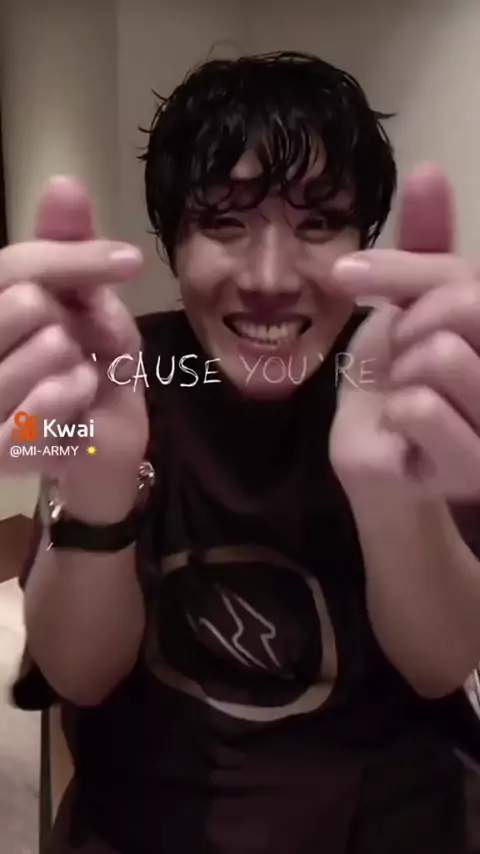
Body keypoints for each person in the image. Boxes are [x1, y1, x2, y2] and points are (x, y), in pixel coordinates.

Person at [5, 50, 480, 853]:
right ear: (172, 243)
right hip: (150, 817)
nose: (268, 277)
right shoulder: (110, 371)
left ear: (364, 239)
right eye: (224, 222)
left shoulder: (404, 377)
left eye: (319, 222)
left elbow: (441, 665)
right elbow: (79, 674)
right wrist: (98, 488)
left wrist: (387, 495)